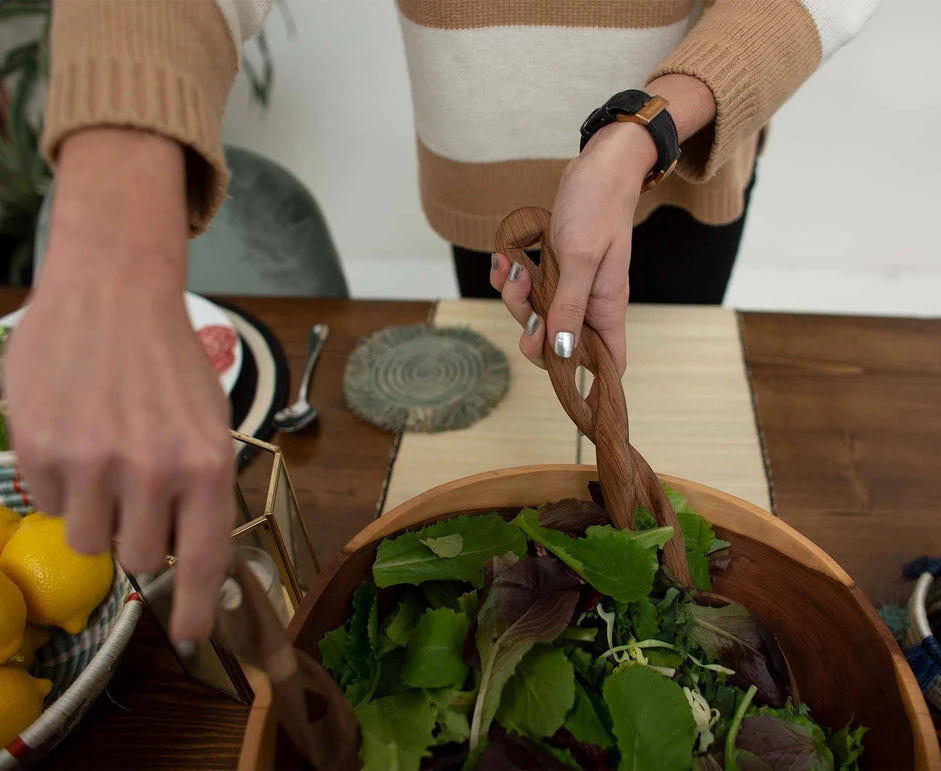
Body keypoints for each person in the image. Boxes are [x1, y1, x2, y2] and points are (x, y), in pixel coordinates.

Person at [5, 0, 880, 649]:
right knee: (534, 364)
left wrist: (646, 128)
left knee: (672, 397)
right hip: (482, 167)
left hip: (683, 145)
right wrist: (114, 213)